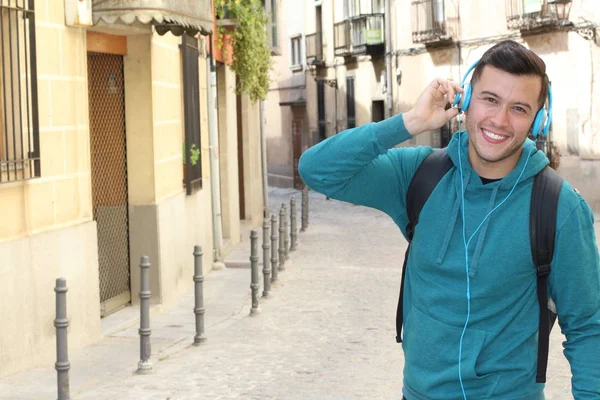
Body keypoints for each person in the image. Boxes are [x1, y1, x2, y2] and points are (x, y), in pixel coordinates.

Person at [298, 40, 600, 399]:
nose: (500, 120)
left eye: (519, 108)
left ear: (539, 119)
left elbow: (587, 327)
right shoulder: (417, 176)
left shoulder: (559, 207)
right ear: (466, 100)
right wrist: (410, 122)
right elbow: (317, 170)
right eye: (489, 99)